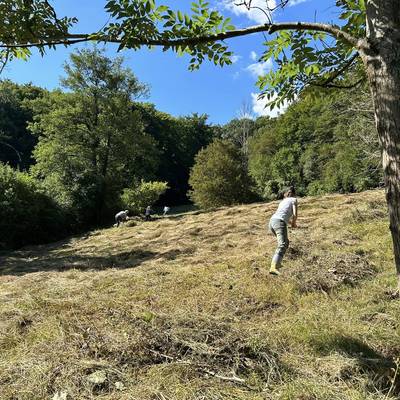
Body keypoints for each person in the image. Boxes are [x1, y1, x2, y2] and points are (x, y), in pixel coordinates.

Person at [268, 186, 298, 275]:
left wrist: (290, 223)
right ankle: (273, 266)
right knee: (283, 244)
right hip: (279, 222)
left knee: (286, 242)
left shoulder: (283, 201)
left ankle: (278, 262)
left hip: (272, 222)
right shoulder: (294, 200)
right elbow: (295, 214)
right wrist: (293, 223)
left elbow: (283, 215)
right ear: (294, 193)